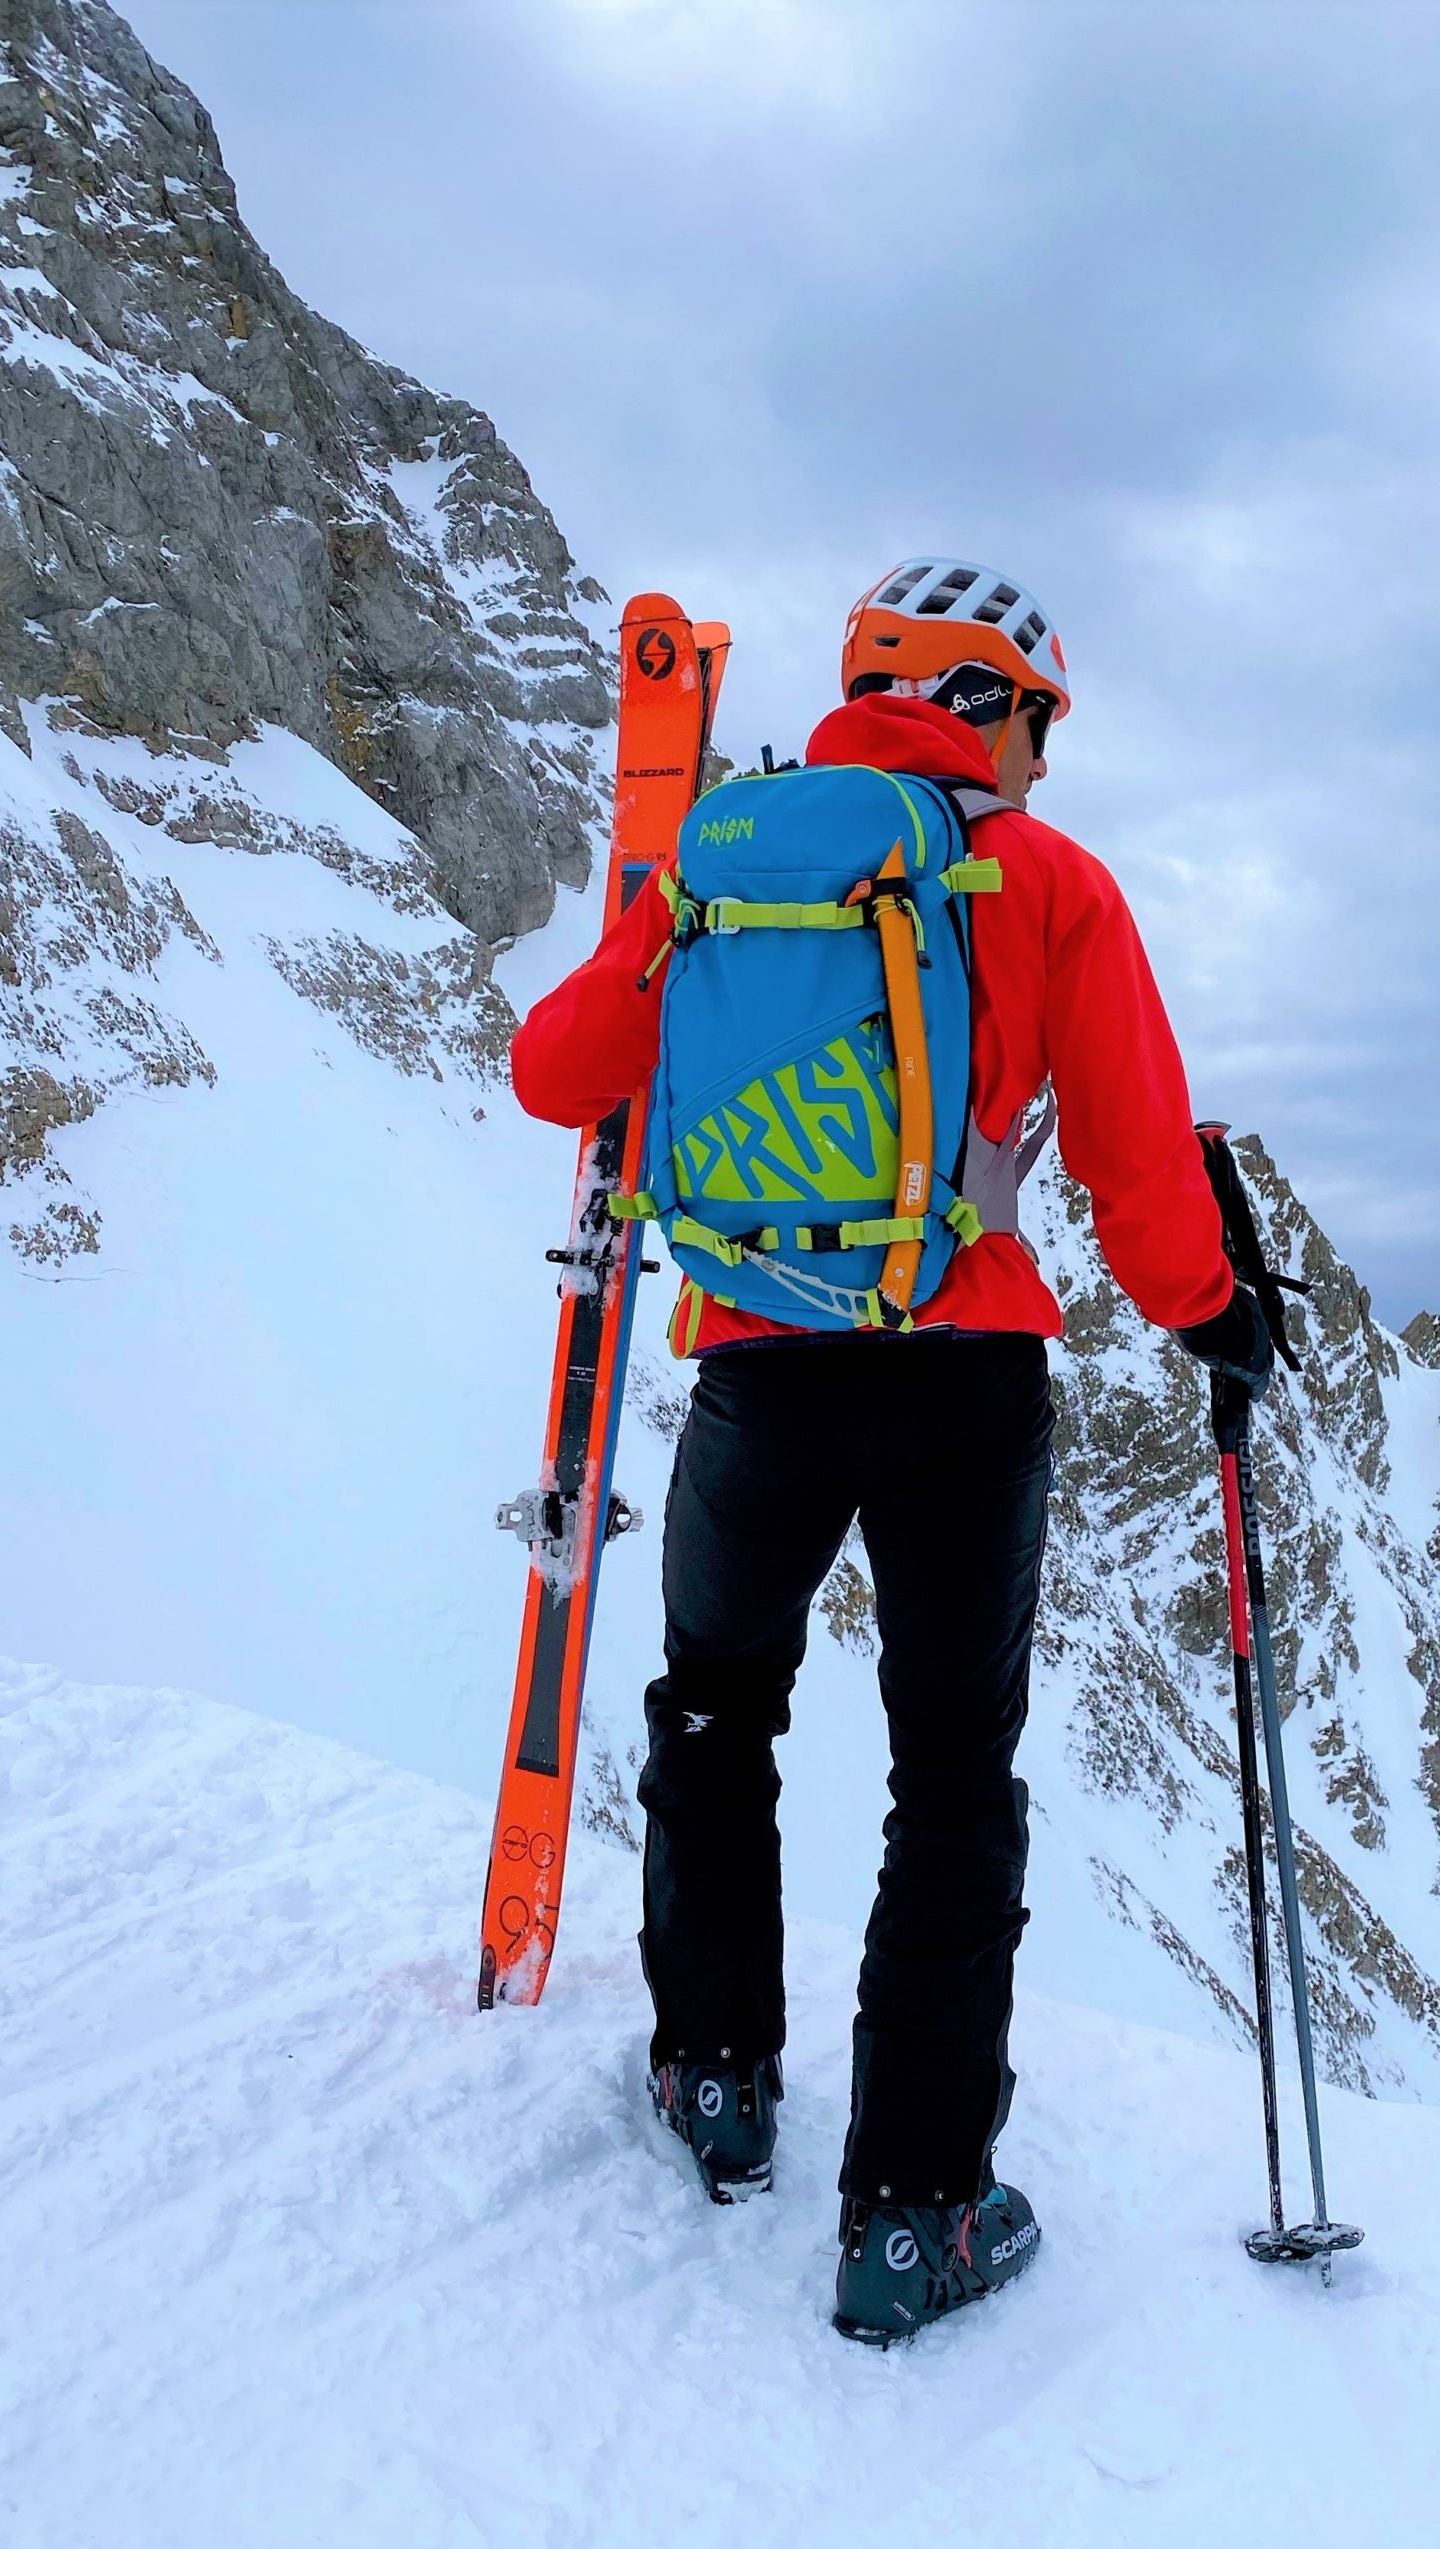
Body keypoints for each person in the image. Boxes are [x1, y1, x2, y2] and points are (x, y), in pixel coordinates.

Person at [509, 557, 1273, 2342]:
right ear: (983, 701)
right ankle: (916, 2215)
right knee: (953, 1777)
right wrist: (1217, 1314)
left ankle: (714, 2076)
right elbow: (1139, 1170)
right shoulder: (1048, 882)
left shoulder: (719, 862)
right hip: (962, 1385)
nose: (1042, 763)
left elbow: (557, 1075)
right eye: (1039, 724)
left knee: (716, 1711)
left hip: (758, 1375)